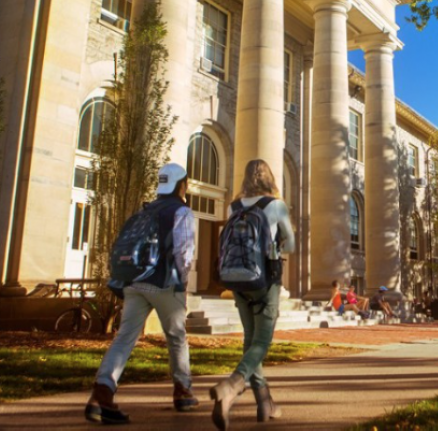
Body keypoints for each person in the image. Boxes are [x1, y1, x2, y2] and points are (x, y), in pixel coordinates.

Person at [85, 163, 197, 424]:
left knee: (124, 337)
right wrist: (182, 282)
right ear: (182, 185)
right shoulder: (181, 211)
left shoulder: (145, 210)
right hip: (163, 283)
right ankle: (183, 391)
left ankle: (102, 393)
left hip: (134, 282)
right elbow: (184, 252)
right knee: (177, 337)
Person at [209, 159, 295, 431]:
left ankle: (265, 402)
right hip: (264, 280)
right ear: (270, 178)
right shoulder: (275, 206)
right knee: (261, 342)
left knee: (250, 341)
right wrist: (276, 245)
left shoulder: (232, 207)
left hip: (235, 279)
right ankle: (231, 387)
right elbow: (290, 244)